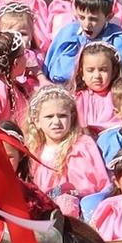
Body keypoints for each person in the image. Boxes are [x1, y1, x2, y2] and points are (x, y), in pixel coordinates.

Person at [20, 86, 108, 217]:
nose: (56, 122)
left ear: (71, 117)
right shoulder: (33, 151)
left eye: (62, 116)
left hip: (78, 210)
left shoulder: (81, 145)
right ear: (37, 121)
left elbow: (93, 184)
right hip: (43, 210)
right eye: (49, 117)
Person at [43, 0, 122, 85]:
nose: (87, 24)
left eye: (93, 19)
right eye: (82, 17)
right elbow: (50, 64)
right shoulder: (69, 33)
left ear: (108, 17)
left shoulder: (115, 37)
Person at [69, 42, 122, 136]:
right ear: (81, 73)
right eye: (90, 70)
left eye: (103, 70)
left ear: (113, 72)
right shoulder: (76, 99)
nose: (97, 76)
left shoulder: (120, 97)